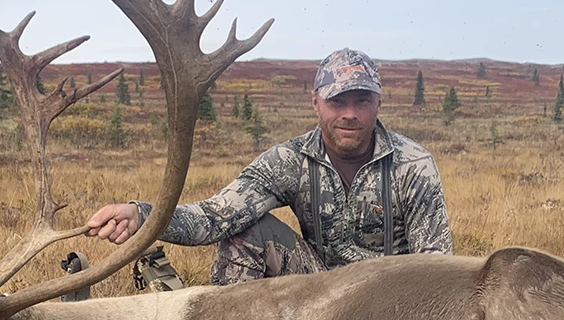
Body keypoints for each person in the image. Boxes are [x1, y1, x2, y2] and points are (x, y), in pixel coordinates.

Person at [86, 48, 452, 285]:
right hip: (319, 291)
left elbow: (436, 271)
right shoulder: (289, 161)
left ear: (378, 103)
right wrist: (141, 215)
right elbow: (215, 216)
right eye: (337, 101)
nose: (350, 114)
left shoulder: (413, 166)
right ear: (315, 103)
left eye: (362, 101)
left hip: (390, 301)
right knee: (246, 228)